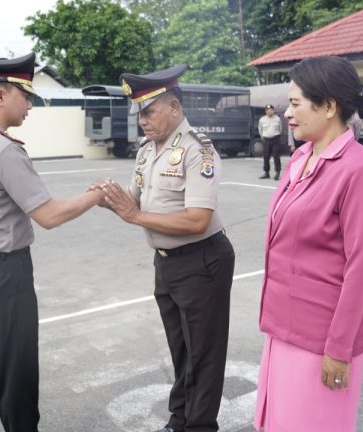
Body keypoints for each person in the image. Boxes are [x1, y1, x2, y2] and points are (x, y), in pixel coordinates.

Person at [0, 53, 103, 432]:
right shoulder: (2, 149)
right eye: (25, 95)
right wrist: (97, 195)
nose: (29, 105)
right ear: (0, 96)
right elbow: (48, 215)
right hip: (4, 273)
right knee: (19, 372)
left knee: (4, 357)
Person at [96, 64, 235, 432]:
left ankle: (199, 426)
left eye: (149, 111)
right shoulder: (146, 151)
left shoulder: (197, 151)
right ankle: (179, 420)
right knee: (181, 348)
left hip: (202, 260)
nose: (142, 120)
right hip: (167, 264)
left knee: (203, 354)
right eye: (139, 113)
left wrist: (134, 215)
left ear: (174, 106)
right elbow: (135, 199)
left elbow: (196, 220)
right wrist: (109, 197)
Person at [254, 56, 363, 432]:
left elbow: (361, 269)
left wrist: (338, 348)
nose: (287, 113)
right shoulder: (300, 158)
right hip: (284, 327)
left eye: (296, 103)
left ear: (329, 106)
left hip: (323, 339)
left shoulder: (362, 170)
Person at [259, 104, 283, 179]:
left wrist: (277, 136)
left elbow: (280, 129)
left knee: (276, 156)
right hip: (266, 140)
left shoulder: (277, 119)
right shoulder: (262, 120)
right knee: (266, 156)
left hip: (275, 139)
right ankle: (266, 173)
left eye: (271, 110)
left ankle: (277, 172)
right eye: (268, 110)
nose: (270, 111)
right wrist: (263, 137)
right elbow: (260, 130)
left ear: (273, 111)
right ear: (266, 111)